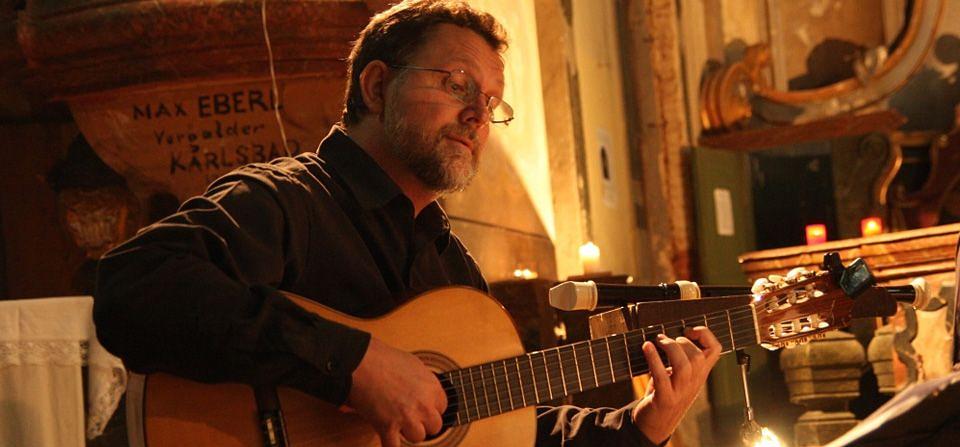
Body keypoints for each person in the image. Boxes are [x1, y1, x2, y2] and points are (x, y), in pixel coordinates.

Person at [94, 1, 721, 446]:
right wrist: (353, 364)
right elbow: (133, 286)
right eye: (458, 85)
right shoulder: (286, 201)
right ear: (376, 86)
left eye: (491, 103)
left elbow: (498, 429)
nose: (479, 116)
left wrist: (639, 426)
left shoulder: (452, 266)